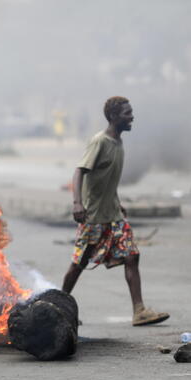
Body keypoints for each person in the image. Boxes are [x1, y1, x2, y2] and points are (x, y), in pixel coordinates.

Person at [61, 96, 169, 326]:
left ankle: (139, 311)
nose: (132, 117)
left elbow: (107, 179)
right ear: (113, 117)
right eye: (127, 113)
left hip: (113, 216)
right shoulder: (99, 142)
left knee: (132, 255)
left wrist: (116, 202)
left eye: (131, 112)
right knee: (80, 262)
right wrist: (77, 203)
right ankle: (60, 306)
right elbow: (79, 171)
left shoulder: (119, 143)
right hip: (94, 217)